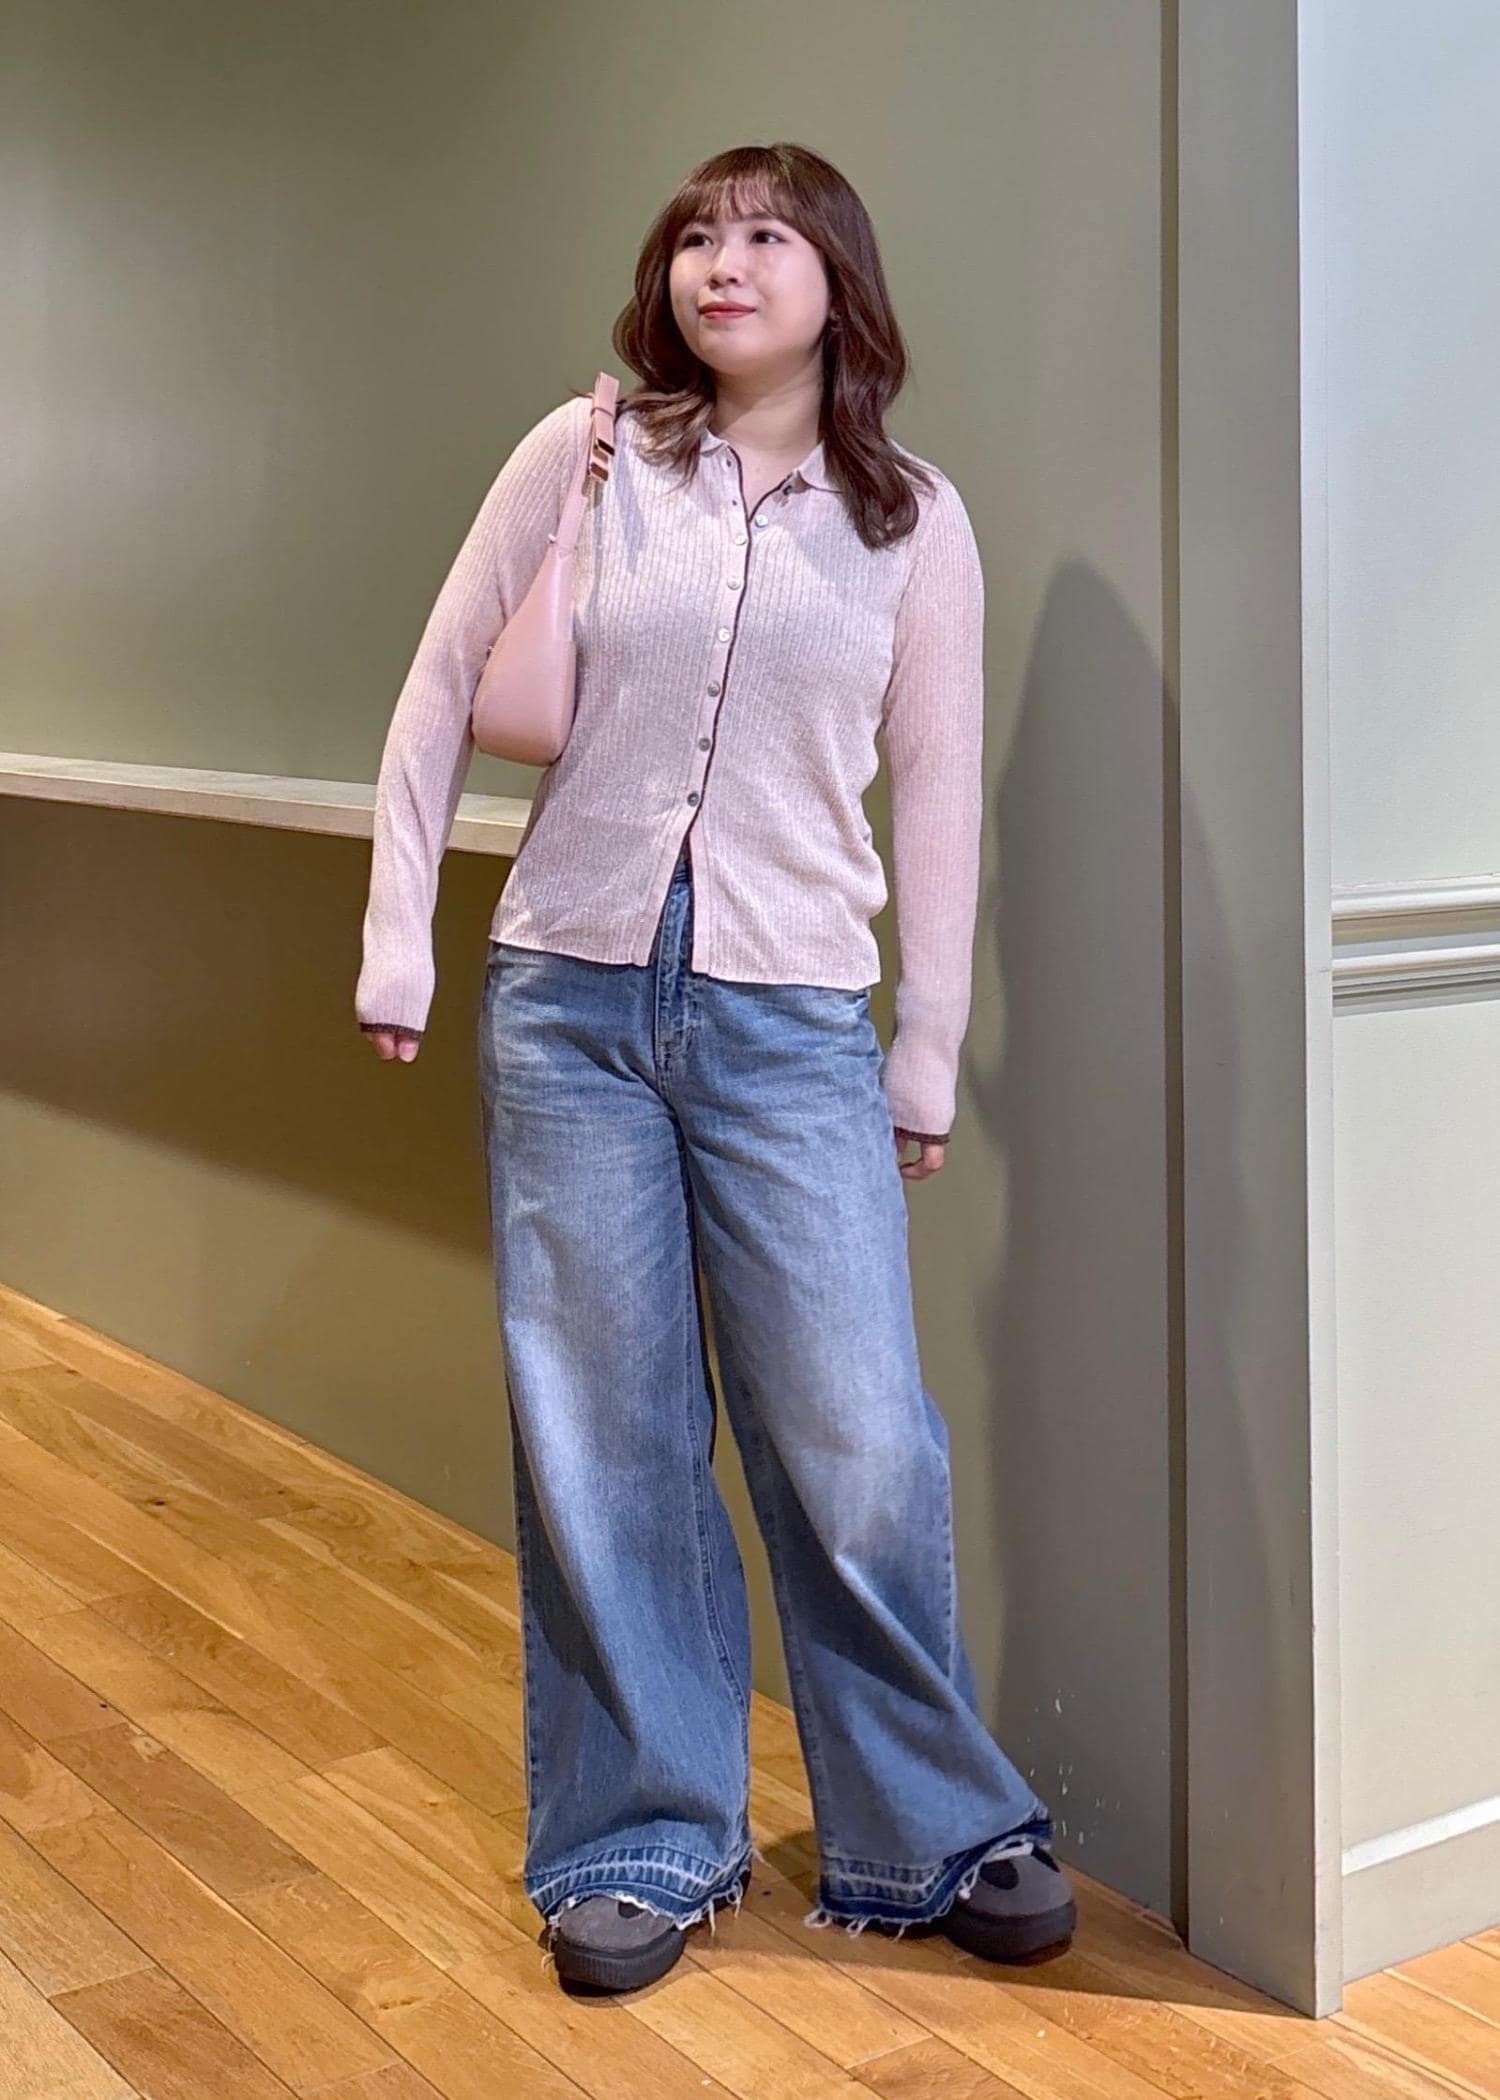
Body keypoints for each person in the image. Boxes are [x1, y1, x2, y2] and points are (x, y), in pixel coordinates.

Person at [355, 142, 1074, 1997]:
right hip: (568, 998)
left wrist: (927, 1047)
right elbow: (439, 687)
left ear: (840, 282)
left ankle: (930, 1826)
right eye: (696, 233)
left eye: (763, 235)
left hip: (791, 1018)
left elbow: (937, 792)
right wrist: (398, 932)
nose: (719, 262)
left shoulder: (914, 521)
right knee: (604, 1435)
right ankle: (638, 1835)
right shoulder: (586, 454)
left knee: (857, 1434)